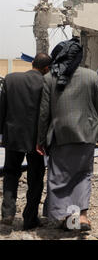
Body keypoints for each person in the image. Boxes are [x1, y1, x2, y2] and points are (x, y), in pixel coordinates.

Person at [37, 37, 98, 231]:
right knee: (83, 175)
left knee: (61, 177)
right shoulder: (91, 76)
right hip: (86, 134)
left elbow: (44, 114)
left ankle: (68, 217)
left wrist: (40, 140)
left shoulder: (50, 78)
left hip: (60, 136)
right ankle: (81, 217)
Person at [0, 53, 52, 230]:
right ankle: (30, 219)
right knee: (35, 179)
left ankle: (7, 213)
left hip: (13, 136)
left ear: (32, 64)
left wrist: (1, 134)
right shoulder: (46, 83)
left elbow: (2, 109)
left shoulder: (11, 79)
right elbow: (47, 114)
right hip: (36, 140)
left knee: (10, 174)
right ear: (46, 69)